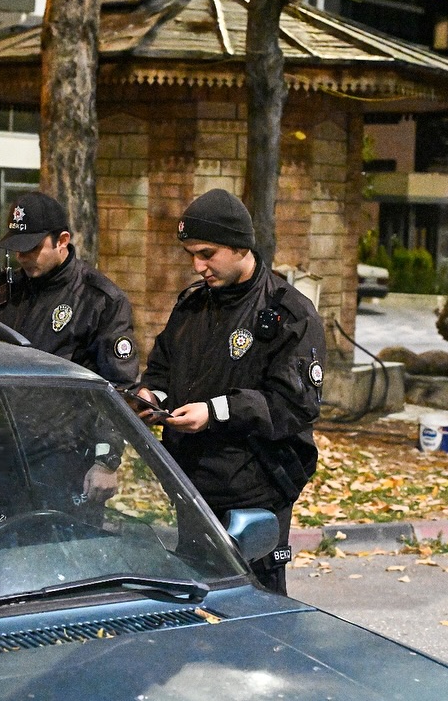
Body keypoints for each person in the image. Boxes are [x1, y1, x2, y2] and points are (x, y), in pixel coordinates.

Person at [134, 189, 325, 594]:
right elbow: (164, 369)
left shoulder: (290, 312)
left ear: (241, 246)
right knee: (196, 604)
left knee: (253, 612)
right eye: (191, 255)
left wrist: (216, 411)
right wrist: (153, 399)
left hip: (255, 491)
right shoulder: (192, 306)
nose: (198, 266)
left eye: (207, 253)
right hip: (192, 487)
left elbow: (294, 405)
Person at [0, 191, 138, 502]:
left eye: (32, 248)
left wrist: (106, 461)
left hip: (64, 459)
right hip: (2, 452)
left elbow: (119, 385)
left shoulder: (99, 299)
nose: (22, 257)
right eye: (16, 249)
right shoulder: (9, 290)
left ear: (62, 240)